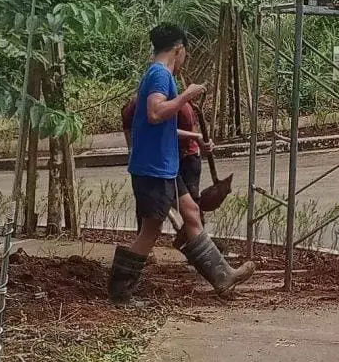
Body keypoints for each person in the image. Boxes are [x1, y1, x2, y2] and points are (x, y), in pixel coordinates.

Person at [108, 24, 254, 305]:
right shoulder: (160, 75)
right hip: (153, 168)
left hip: (165, 165)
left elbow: (160, 125)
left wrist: (194, 138)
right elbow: (154, 114)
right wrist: (187, 95)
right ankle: (120, 290)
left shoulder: (157, 75)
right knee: (150, 231)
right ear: (179, 49)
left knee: (191, 212)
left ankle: (223, 276)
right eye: (185, 52)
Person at [121, 92, 213, 233]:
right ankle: (146, 251)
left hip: (186, 156)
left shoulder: (179, 104)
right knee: (149, 216)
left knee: (192, 208)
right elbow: (132, 143)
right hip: (158, 162)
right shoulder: (132, 109)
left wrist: (201, 142)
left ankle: (198, 244)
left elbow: (180, 129)